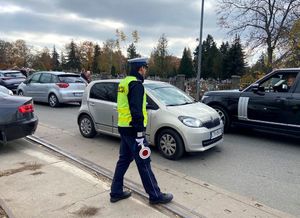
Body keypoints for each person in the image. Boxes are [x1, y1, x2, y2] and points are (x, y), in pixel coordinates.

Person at [110, 57, 173, 204]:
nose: (145, 71)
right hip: (134, 130)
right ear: (140, 69)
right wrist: (139, 134)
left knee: (124, 160)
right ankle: (155, 196)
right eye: (145, 68)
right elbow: (136, 111)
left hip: (124, 128)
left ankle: (116, 191)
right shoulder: (136, 85)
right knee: (144, 162)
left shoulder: (124, 83)